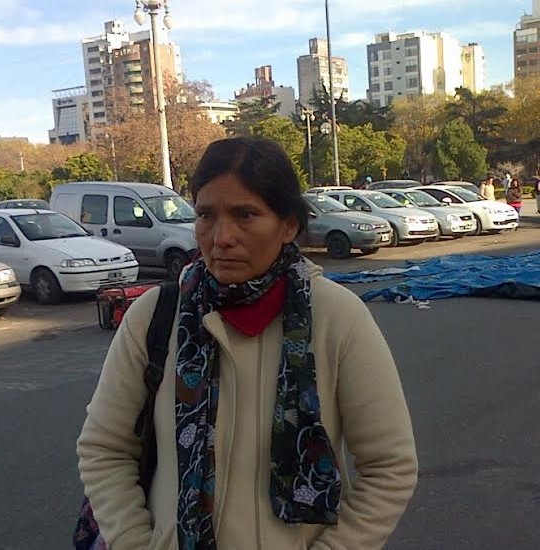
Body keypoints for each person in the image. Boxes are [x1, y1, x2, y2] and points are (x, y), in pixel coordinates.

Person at [77, 136, 418, 550]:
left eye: (245, 215)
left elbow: (389, 467)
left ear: (288, 224)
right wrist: (135, 543)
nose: (221, 237)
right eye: (206, 215)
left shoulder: (337, 317)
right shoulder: (155, 316)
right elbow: (104, 449)